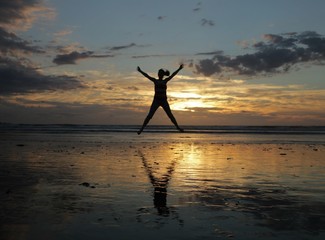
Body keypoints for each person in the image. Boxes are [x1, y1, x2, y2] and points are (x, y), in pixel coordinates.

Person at [137, 64, 184, 135]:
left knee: (170, 115)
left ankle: (178, 127)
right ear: (158, 74)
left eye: (160, 73)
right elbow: (147, 76)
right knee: (149, 116)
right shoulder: (155, 81)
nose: (159, 74)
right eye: (159, 73)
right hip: (156, 101)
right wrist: (140, 71)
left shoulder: (165, 81)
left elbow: (173, 75)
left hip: (164, 101)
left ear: (162, 75)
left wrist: (179, 69)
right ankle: (141, 129)